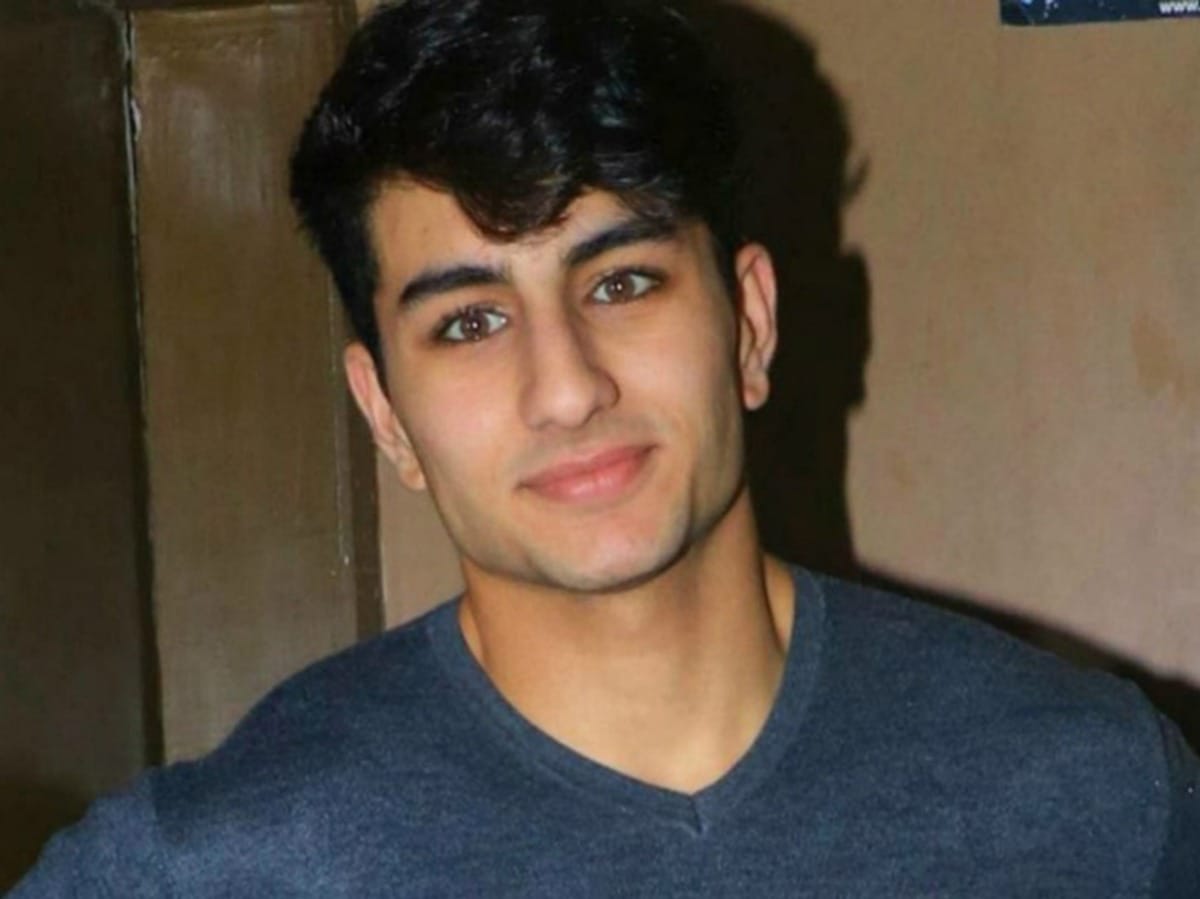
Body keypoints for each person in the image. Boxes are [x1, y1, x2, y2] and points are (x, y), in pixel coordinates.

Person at [13, 0, 1199, 894]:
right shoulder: (225, 860)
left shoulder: (1091, 792)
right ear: (385, 414)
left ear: (749, 323)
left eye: (621, 280)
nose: (568, 386)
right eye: (469, 321)